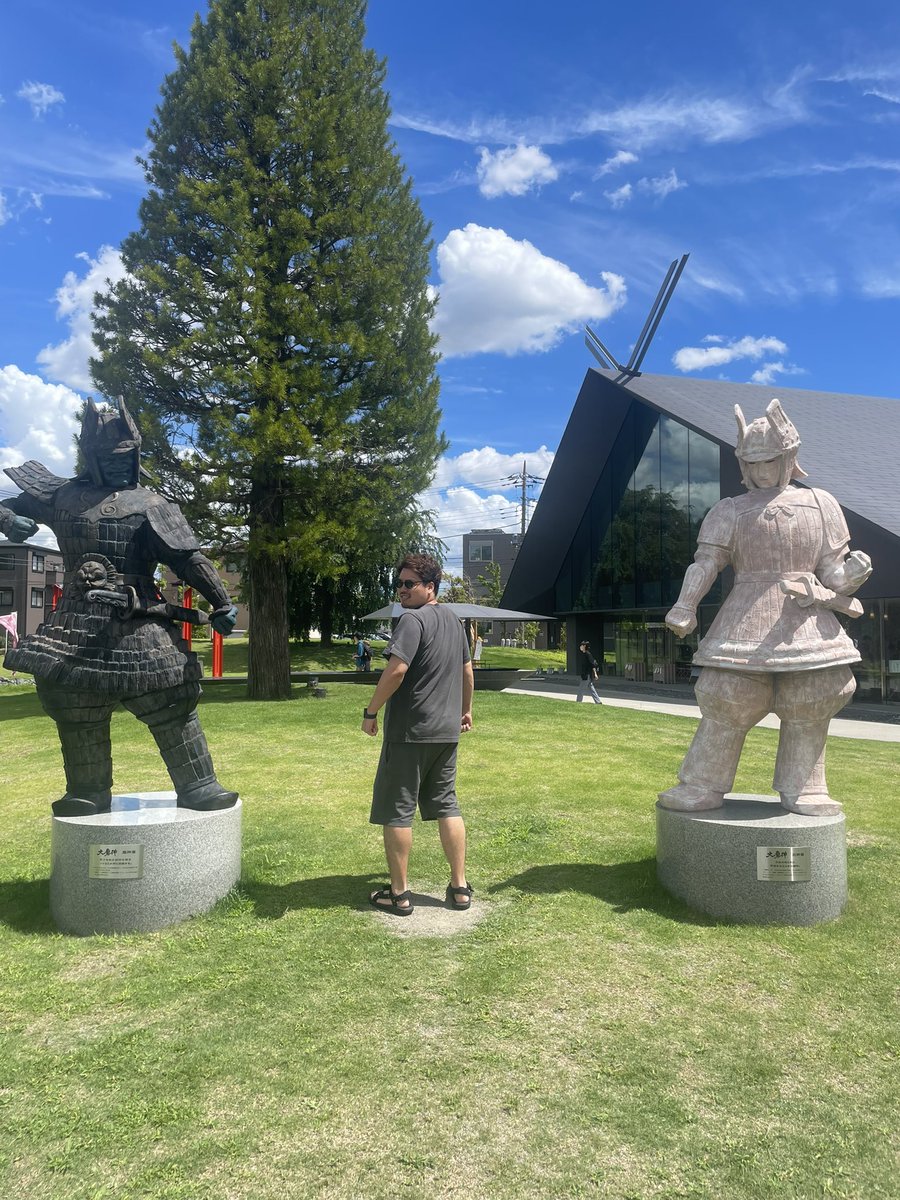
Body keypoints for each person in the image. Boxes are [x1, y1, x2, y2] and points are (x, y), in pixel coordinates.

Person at [0, 398, 238, 816]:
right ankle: (87, 791)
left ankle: (199, 785)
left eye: (125, 458)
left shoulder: (150, 504)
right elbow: (5, 506)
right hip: (73, 621)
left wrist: (221, 601)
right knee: (76, 705)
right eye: (109, 458)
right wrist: (7, 522)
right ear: (90, 457)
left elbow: (186, 557)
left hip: (138, 618)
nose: (117, 465)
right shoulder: (62, 495)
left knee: (170, 697)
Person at [660, 399, 872, 815]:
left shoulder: (821, 504)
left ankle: (805, 786)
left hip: (807, 616)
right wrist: (685, 604)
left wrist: (853, 575)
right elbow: (706, 563)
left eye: (768, 461)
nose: (759, 472)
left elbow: (831, 573)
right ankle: (702, 783)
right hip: (745, 614)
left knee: (815, 695)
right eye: (751, 463)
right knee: (726, 695)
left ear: (789, 457)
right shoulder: (730, 510)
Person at [361, 553, 474, 916]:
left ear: (431, 587)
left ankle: (399, 894)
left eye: (410, 584)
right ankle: (459, 888)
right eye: (399, 584)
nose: (402, 590)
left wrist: (371, 711)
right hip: (445, 732)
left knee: (397, 810)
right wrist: (464, 710)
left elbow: (396, 671)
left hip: (410, 732)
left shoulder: (411, 620)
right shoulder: (455, 622)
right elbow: (468, 672)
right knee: (447, 805)